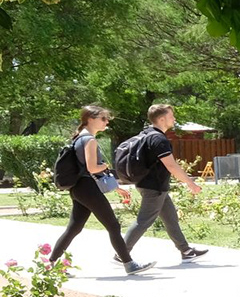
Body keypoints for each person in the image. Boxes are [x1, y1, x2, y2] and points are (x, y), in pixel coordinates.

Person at [46, 106, 153, 273]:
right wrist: (105, 165)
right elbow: (92, 168)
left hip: (79, 188)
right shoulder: (89, 140)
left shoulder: (79, 138)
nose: (106, 122)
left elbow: (86, 170)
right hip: (87, 188)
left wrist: (116, 187)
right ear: (90, 119)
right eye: (103, 118)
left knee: (74, 228)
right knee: (113, 225)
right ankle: (129, 264)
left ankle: (51, 264)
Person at [120, 104, 208, 262]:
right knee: (143, 221)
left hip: (152, 185)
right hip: (154, 187)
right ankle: (122, 253)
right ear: (161, 119)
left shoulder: (147, 134)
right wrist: (190, 183)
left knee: (170, 218)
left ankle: (186, 250)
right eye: (171, 116)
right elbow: (171, 165)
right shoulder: (158, 139)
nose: (174, 119)